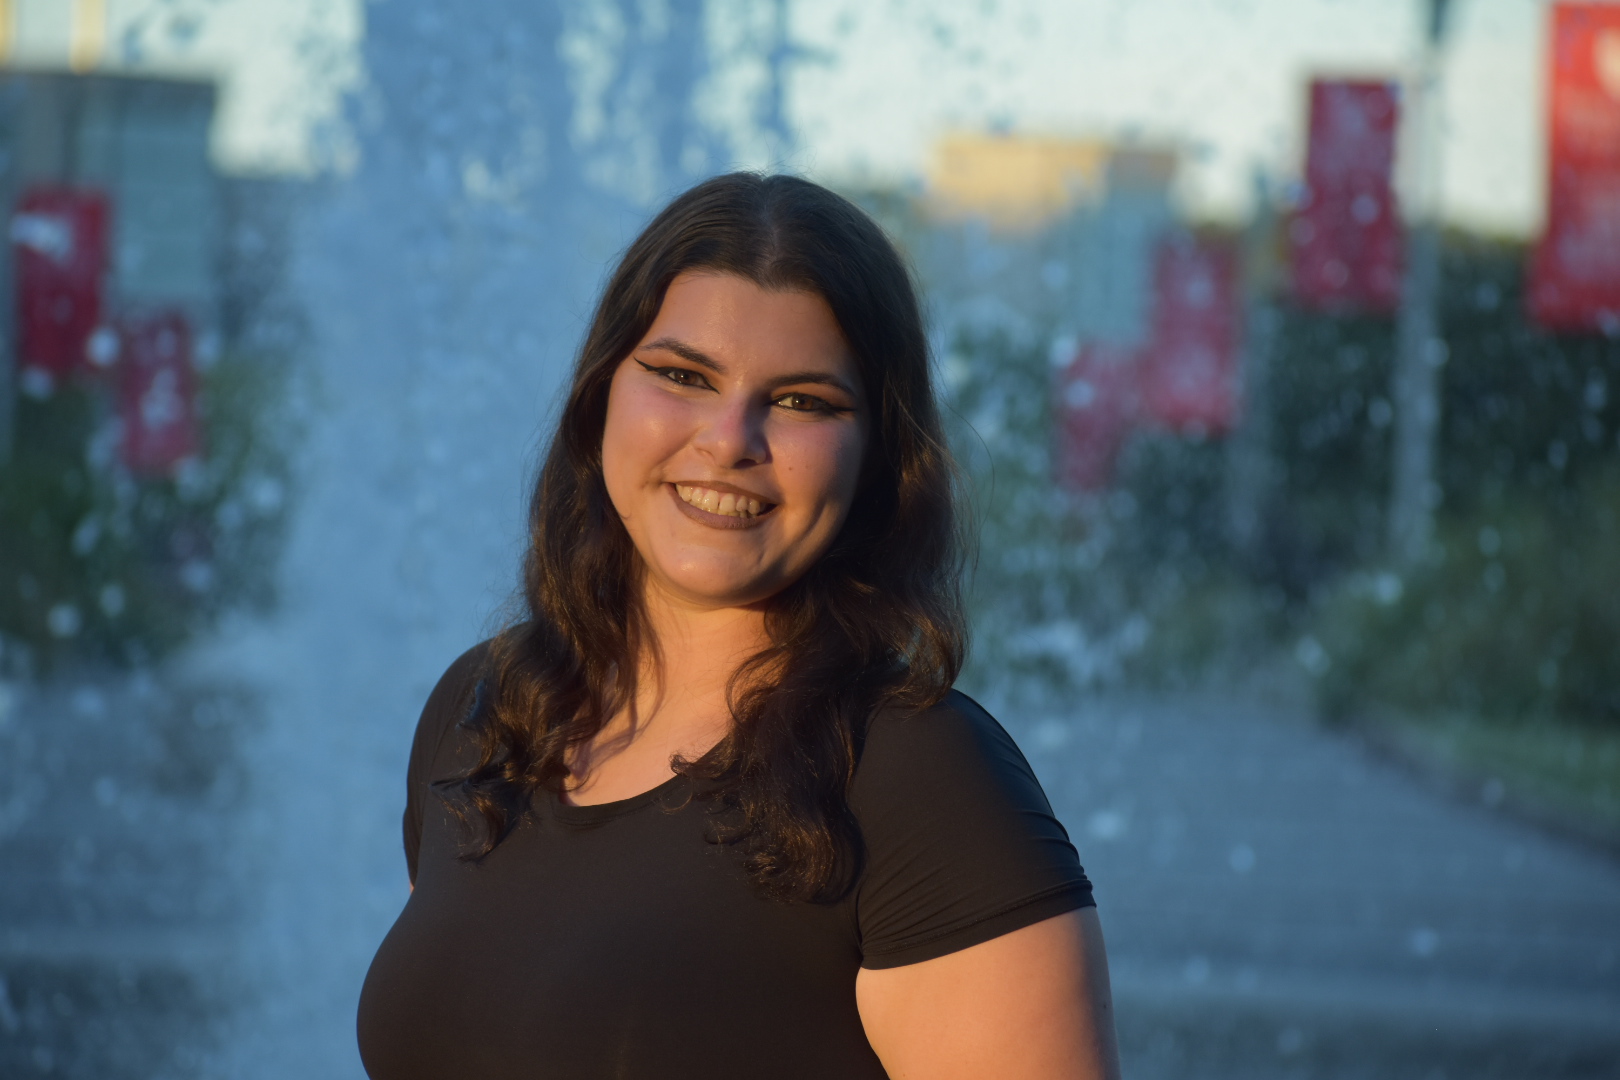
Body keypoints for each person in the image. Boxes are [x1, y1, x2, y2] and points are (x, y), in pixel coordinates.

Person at [356, 172, 1121, 1080]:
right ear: (603, 394)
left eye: (802, 401)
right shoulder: (485, 705)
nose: (729, 439)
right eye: (682, 376)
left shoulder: (918, 778)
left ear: (876, 455)